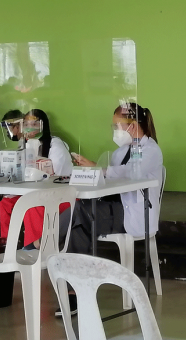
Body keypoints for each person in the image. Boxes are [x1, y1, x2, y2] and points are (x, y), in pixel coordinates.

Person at [57, 102, 162, 316]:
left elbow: (130, 174)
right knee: (77, 223)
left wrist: (98, 169)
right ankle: (76, 291)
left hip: (134, 213)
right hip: (115, 208)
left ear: (132, 125)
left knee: (76, 217)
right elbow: (112, 179)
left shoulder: (151, 150)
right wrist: (92, 171)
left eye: (118, 125)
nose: (115, 131)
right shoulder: (119, 153)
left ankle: (48, 241)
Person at [0, 109, 74, 247]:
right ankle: (5, 247)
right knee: (2, 201)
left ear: (44, 126)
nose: (30, 128)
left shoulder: (55, 145)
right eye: (26, 124)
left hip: (60, 194)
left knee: (33, 204)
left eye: (35, 124)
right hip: (32, 191)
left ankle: (34, 250)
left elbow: (58, 179)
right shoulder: (24, 145)